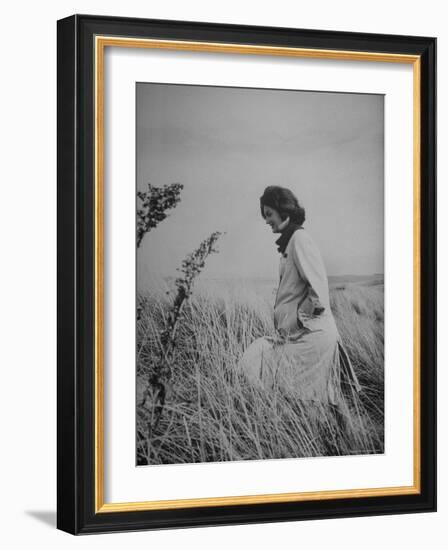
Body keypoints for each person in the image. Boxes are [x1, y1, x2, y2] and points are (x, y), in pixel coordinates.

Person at [238, 186, 361, 407]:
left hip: (311, 337)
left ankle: (323, 436)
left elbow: (318, 293)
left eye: (269, 214)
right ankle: (329, 433)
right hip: (305, 334)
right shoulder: (292, 240)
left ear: (282, 210)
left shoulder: (299, 239)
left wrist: (296, 321)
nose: (266, 221)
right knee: (306, 400)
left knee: (260, 366)